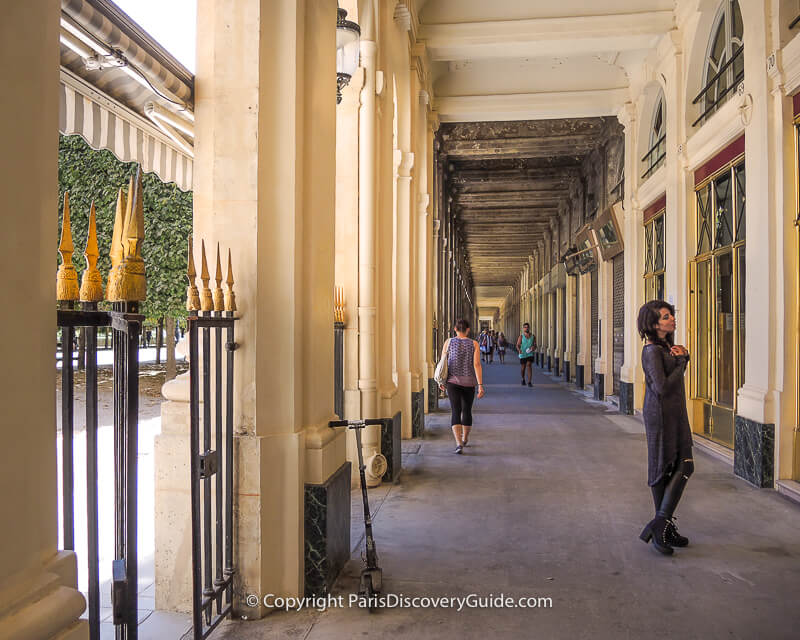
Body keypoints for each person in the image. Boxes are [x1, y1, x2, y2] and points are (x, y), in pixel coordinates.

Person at [637, 300, 693, 556]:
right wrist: (681, 363)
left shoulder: (665, 346)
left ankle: (663, 526)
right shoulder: (651, 351)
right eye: (665, 317)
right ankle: (662, 525)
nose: (672, 319)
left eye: (671, 315)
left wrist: (683, 358)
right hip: (660, 415)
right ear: (653, 324)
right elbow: (661, 387)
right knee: (669, 466)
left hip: (675, 412)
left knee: (677, 465)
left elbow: (672, 381)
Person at [438, 318, 484, 454]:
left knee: (455, 411)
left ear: (455, 329)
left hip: (452, 382)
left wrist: (441, 381)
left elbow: (443, 363)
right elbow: (476, 365)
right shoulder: (474, 344)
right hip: (469, 383)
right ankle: (465, 438)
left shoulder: (449, 342)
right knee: (467, 410)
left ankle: (458, 443)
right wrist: (480, 385)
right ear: (468, 329)